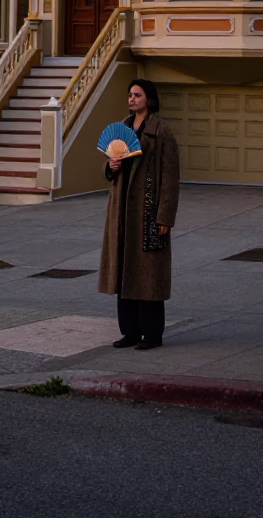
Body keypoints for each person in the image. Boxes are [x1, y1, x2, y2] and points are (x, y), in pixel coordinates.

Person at [98, 78, 180, 350]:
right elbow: (113, 171)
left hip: (147, 212)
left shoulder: (162, 132)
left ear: (149, 99)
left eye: (137, 95)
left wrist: (164, 216)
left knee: (149, 275)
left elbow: (170, 178)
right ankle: (130, 332)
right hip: (121, 212)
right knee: (124, 272)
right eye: (130, 94)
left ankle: (153, 334)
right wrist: (111, 166)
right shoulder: (122, 128)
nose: (131, 99)